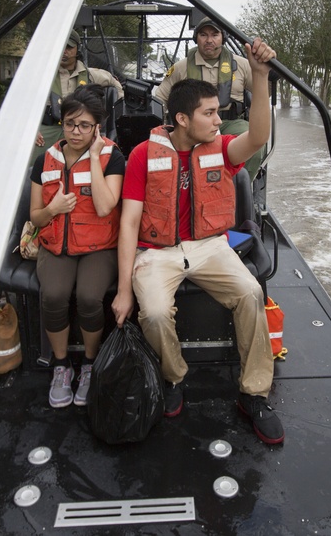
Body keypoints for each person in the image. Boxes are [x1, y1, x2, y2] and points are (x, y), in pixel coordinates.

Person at [112, 37, 284, 445]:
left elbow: (257, 136)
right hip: (157, 252)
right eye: (209, 114)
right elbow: (128, 223)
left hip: (211, 247)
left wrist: (260, 76)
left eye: (218, 112)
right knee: (152, 312)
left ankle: (254, 394)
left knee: (249, 292)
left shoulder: (223, 149)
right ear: (182, 119)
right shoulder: (141, 155)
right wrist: (123, 290)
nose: (218, 121)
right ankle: (175, 377)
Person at [30, 85, 125, 408]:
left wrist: (95, 157)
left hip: (100, 247)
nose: (76, 131)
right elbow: (36, 217)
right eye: (70, 123)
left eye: (85, 125)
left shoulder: (113, 157)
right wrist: (52, 209)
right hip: (56, 244)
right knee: (53, 295)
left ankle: (88, 362)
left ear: (97, 127)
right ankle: (60, 365)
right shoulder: (45, 160)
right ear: (62, 123)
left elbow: (104, 207)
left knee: (88, 297)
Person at [154, 16, 264, 180]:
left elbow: (264, 90)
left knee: (254, 145)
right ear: (196, 38)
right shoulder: (180, 67)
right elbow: (159, 100)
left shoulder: (243, 65)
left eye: (215, 34)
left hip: (230, 123)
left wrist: (263, 70)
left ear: (223, 38)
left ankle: (242, 185)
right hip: (192, 125)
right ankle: (185, 185)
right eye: (203, 35)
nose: (209, 40)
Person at [34, 30, 123, 157]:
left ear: (77, 49)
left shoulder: (90, 75)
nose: (64, 51)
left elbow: (114, 83)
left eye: (69, 47)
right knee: (31, 161)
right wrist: (31, 130)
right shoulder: (42, 76)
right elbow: (22, 104)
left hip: (80, 130)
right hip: (48, 130)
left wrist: (117, 115)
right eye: (61, 46)